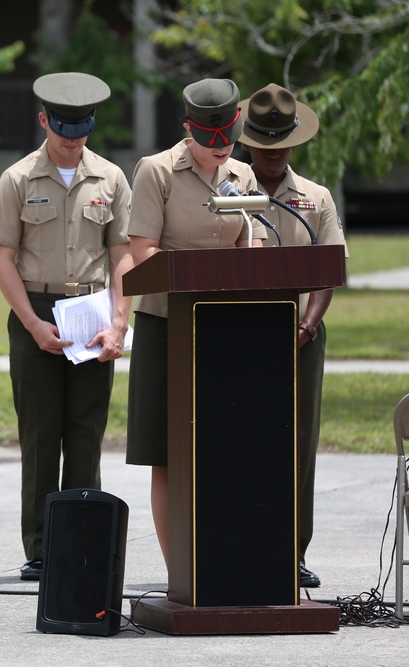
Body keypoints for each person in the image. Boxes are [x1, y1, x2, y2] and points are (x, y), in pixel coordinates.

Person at [0, 72, 134, 581]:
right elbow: (2, 258)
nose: (72, 138)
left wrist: (118, 324)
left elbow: (122, 255)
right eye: (63, 127)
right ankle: (43, 549)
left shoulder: (110, 178)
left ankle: (81, 541)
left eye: (81, 128)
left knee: (86, 433)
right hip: (36, 311)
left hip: (90, 314)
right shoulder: (19, 178)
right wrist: (31, 324)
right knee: (42, 434)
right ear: (44, 120)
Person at [125, 78, 267, 570]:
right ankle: (179, 572)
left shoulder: (244, 177)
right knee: (167, 450)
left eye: (227, 140)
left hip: (224, 327)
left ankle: (223, 562)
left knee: (225, 444)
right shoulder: (156, 172)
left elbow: (251, 242)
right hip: (168, 324)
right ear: (189, 130)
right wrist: (192, 276)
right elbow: (141, 248)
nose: (219, 150)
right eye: (210, 142)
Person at [237, 83, 348, 588]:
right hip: (237, 337)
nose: (275, 150)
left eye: (282, 140)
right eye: (264, 141)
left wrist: (307, 322)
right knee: (240, 441)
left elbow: (329, 269)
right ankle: (237, 544)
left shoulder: (316, 198)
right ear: (247, 142)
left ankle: (291, 551)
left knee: (298, 445)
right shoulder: (231, 195)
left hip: (301, 339)